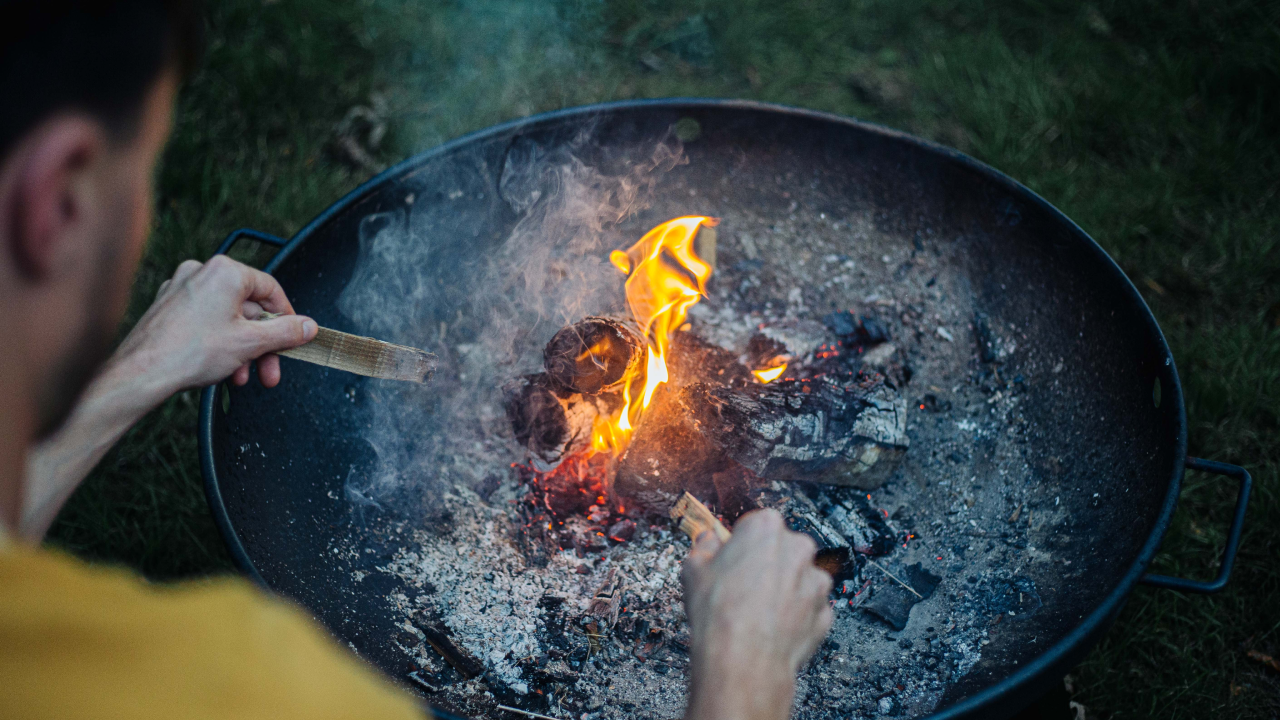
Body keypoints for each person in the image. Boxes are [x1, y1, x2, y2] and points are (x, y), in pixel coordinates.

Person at [0, 2, 834, 718]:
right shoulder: (245, 687)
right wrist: (743, 671)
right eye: (146, 169)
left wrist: (132, 376)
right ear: (58, 197)